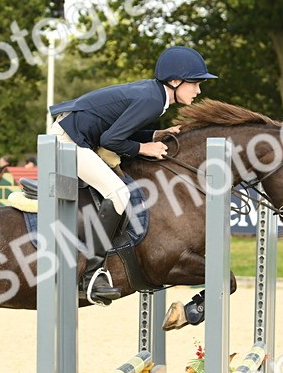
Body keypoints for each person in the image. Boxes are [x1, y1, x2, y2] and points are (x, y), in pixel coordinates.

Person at [48, 45, 215, 303]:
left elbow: (120, 129)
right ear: (174, 81)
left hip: (76, 135)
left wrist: (153, 135)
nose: (198, 90)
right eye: (194, 83)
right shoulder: (152, 100)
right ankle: (90, 274)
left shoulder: (154, 95)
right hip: (68, 141)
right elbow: (112, 138)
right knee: (119, 194)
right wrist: (144, 147)